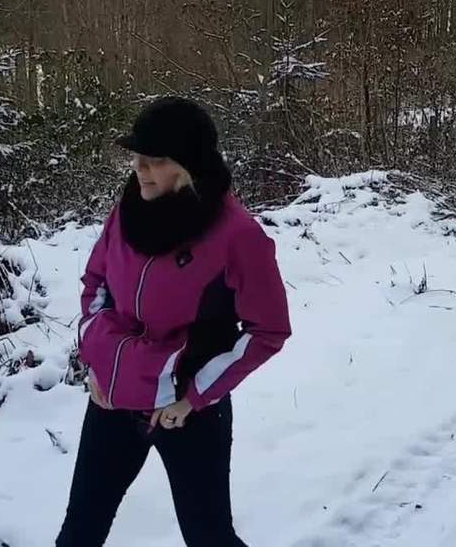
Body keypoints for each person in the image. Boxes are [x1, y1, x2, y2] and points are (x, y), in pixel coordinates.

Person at [55, 97, 292, 547]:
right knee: (79, 531)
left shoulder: (238, 235)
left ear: (188, 164)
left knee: (209, 537)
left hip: (186, 413)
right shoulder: (127, 211)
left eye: (155, 160)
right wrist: (98, 365)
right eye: (136, 157)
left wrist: (194, 398)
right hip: (113, 399)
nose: (139, 169)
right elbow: (95, 285)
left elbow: (269, 330)